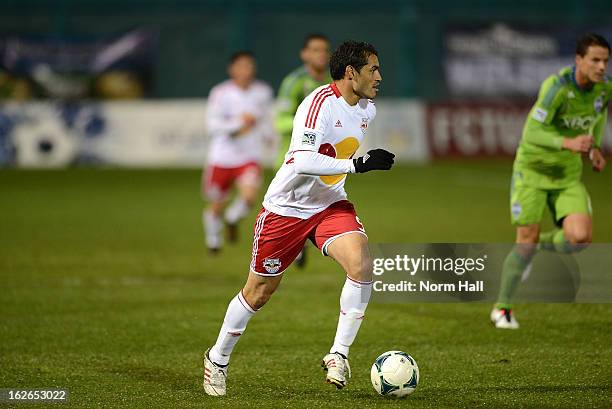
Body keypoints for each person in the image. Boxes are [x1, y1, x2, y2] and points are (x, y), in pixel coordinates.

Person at [203, 40, 394, 396]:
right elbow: (302, 160)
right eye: (373, 69)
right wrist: (357, 164)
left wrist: (356, 164)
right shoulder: (317, 103)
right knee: (259, 293)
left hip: (330, 204)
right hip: (286, 209)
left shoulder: (368, 109)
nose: (380, 76)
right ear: (350, 73)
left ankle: (338, 353)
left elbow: (337, 154)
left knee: (362, 264)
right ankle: (218, 358)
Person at [491, 33, 610, 329]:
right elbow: (531, 133)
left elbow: (597, 118)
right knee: (526, 237)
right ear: (579, 60)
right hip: (532, 172)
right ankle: (502, 308)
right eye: (595, 60)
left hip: (567, 176)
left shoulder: (603, 89)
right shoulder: (557, 87)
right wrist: (568, 143)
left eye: (605, 61)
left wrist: (594, 148)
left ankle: (532, 252)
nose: (601, 67)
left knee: (580, 238)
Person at [202, 51, 275, 253]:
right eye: (241, 66)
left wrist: (269, 136)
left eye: (250, 65)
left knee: (250, 197)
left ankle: (233, 218)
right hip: (222, 158)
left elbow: (266, 119)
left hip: (248, 157)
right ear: (232, 69)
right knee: (217, 204)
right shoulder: (220, 93)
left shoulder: (263, 91)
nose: (246, 70)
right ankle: (213, 239)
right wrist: (238, 124)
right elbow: (212, 125)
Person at [274, 33, 332, 269]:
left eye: (324, 50)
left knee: (317, 201)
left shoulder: (333, 81)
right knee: (288, 205)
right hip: (294, 155)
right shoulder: (294, 82)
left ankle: (302, 243)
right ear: (305, 54)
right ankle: (293, 246)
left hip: (324, 155)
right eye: (315, 50)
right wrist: (310, 129)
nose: (321, 54)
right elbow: (280, 121)